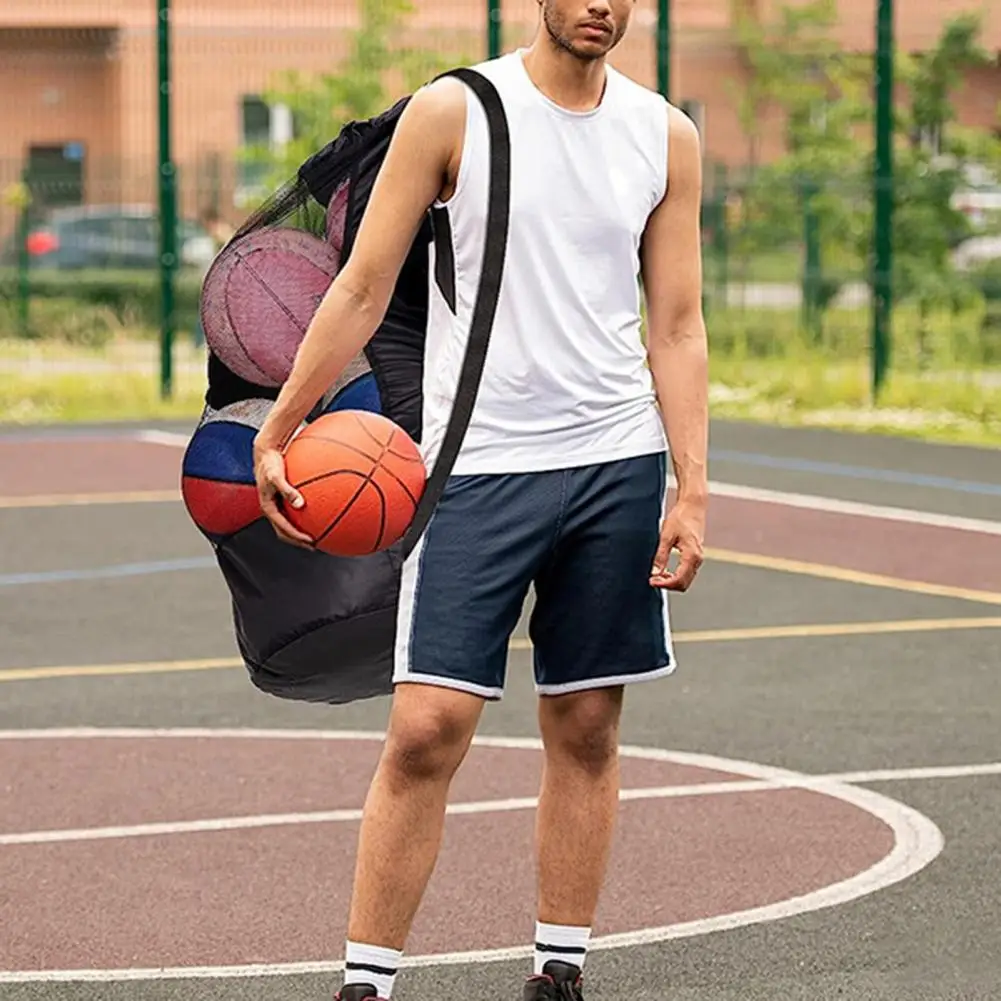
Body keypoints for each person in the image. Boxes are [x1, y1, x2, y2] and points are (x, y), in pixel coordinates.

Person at [252, 0, 709, 996]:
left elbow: (675, 324)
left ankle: (559, 969)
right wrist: (280, 424)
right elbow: (361, 286)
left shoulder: (664, 134)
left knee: (585, 723)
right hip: (479, 464)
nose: (600, 4)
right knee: (426, 728)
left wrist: (692, 488)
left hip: (615, 463)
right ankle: (366, 980)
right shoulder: (454, 110)